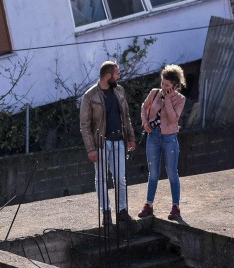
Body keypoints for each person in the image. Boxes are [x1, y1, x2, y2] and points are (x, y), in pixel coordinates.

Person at [79, 60, 136, 226]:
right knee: (102, 179)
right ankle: (106, 212)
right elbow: (84, 125)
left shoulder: (119, 90)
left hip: (119, 141)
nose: (119, 76)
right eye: (117, 73)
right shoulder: (89, 96)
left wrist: (131, 138)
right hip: (101, 144)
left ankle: (122, 211)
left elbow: (126, 117)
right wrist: (90, 149)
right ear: (108, 75)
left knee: (120, 179)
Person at [138, 64, 188, 221]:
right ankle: (148, 205)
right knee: (153, 172)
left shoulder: (180, 99)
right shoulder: (154, 93)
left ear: (174, 85)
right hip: (153, 136)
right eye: (162, 83)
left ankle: (176, 207)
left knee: (172, 172)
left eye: (167, 85)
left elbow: (174, 118)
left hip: (170, 138)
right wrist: (145, 123)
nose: (163, 87)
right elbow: (144, 107)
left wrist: (167, 99)